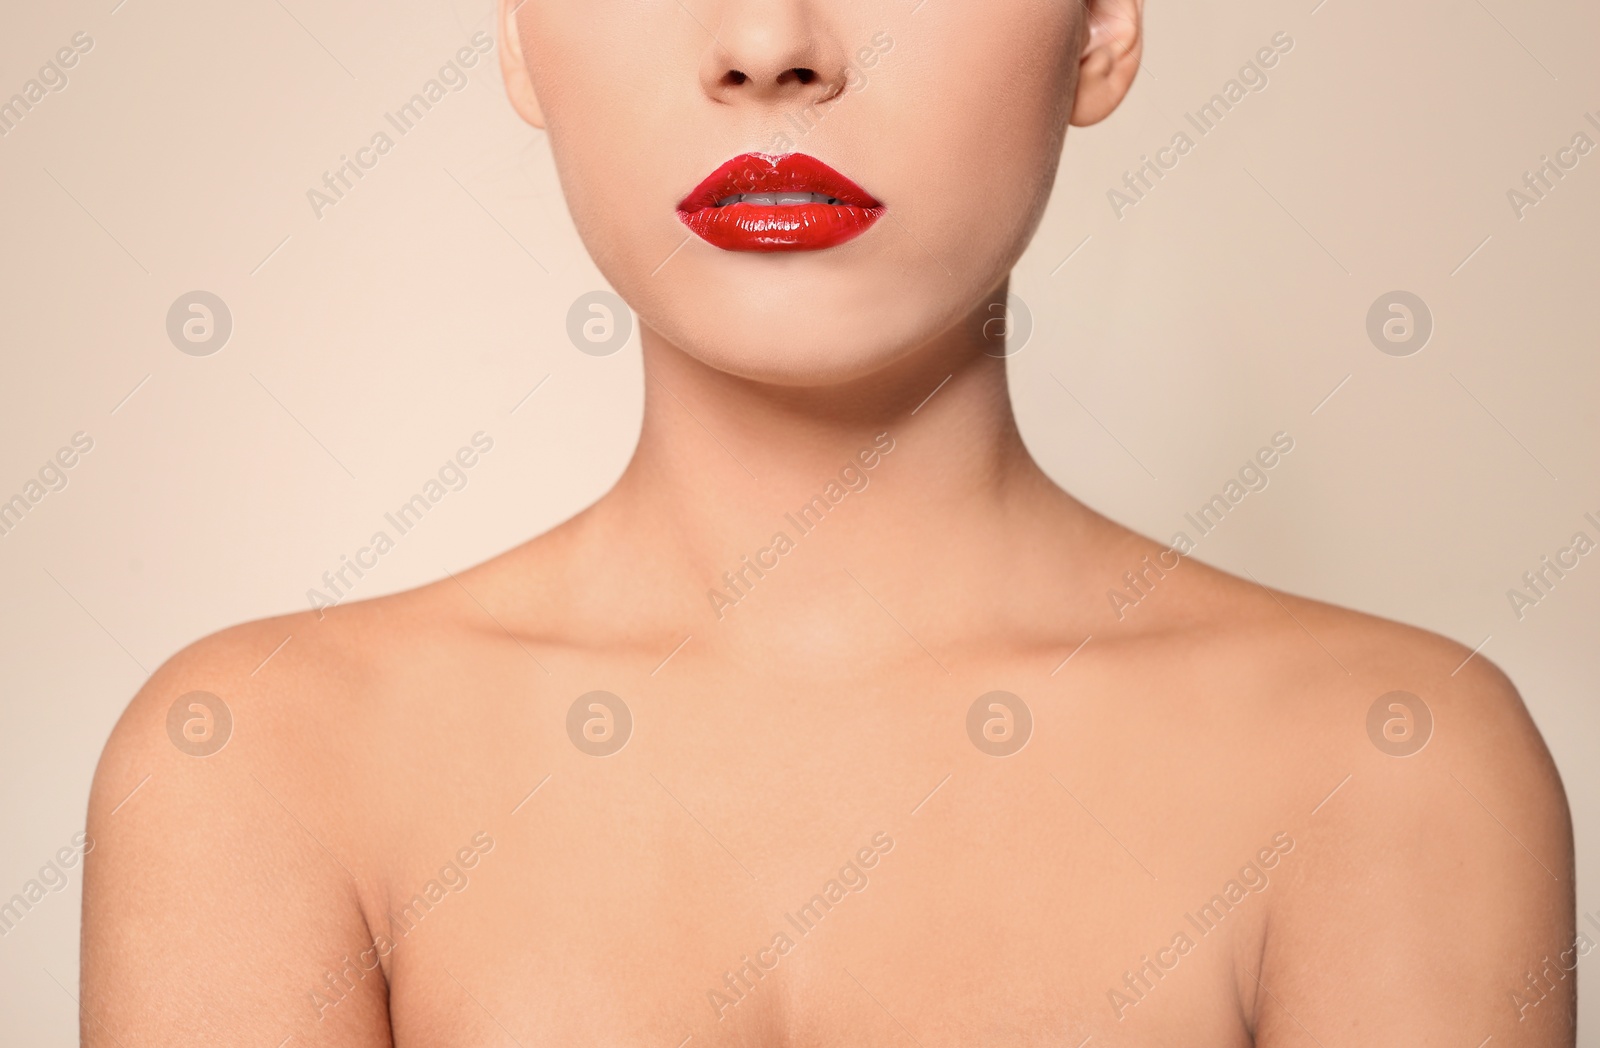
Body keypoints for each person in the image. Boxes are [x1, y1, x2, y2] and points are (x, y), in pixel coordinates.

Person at [82, 0, 1575, 1044]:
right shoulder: (257, 762)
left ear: (1103, 28)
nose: (770, 48)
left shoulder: (1392, 765)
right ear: (516, 31)